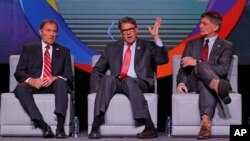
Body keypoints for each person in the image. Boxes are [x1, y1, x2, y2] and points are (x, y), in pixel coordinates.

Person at [88, 16, 168, 139]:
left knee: (129, 81)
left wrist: (156, 37)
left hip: (140, 83)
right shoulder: (112, 47)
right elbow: (97, 69)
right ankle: (95, 125)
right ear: (121, 33)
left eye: (131, 29)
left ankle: (149, 126)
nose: (128, 33)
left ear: (137, 29)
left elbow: (162, 60)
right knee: (107, 79)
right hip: (118, 82)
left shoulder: (148, 45)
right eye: (125, 31)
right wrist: (96, 90)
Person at [176, 11, 233, 139]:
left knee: (202, 72)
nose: (200, 26)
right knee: (200, 66)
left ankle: (205, 123)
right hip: (192, 82)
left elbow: (223, 70)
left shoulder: (226, 46)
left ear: (216, 27)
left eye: (204, 23)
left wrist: (196, 62)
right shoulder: (192, 44)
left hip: (207, 82)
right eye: (200, 23)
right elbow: (182, 70)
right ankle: (218, 86)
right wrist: (180, 83)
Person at [13, 19, 74, 138]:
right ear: (41, 32)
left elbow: (69, 75)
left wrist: (54, 78)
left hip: (53, 85)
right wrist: (31, 80)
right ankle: (43, 126)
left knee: (61, 82)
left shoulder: (64, 51)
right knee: (20, 88)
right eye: (49, 30)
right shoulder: (28, 48)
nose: (52, 34)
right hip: (35, 84)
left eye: (55, 31)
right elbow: (19, 72)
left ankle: (60, 128)